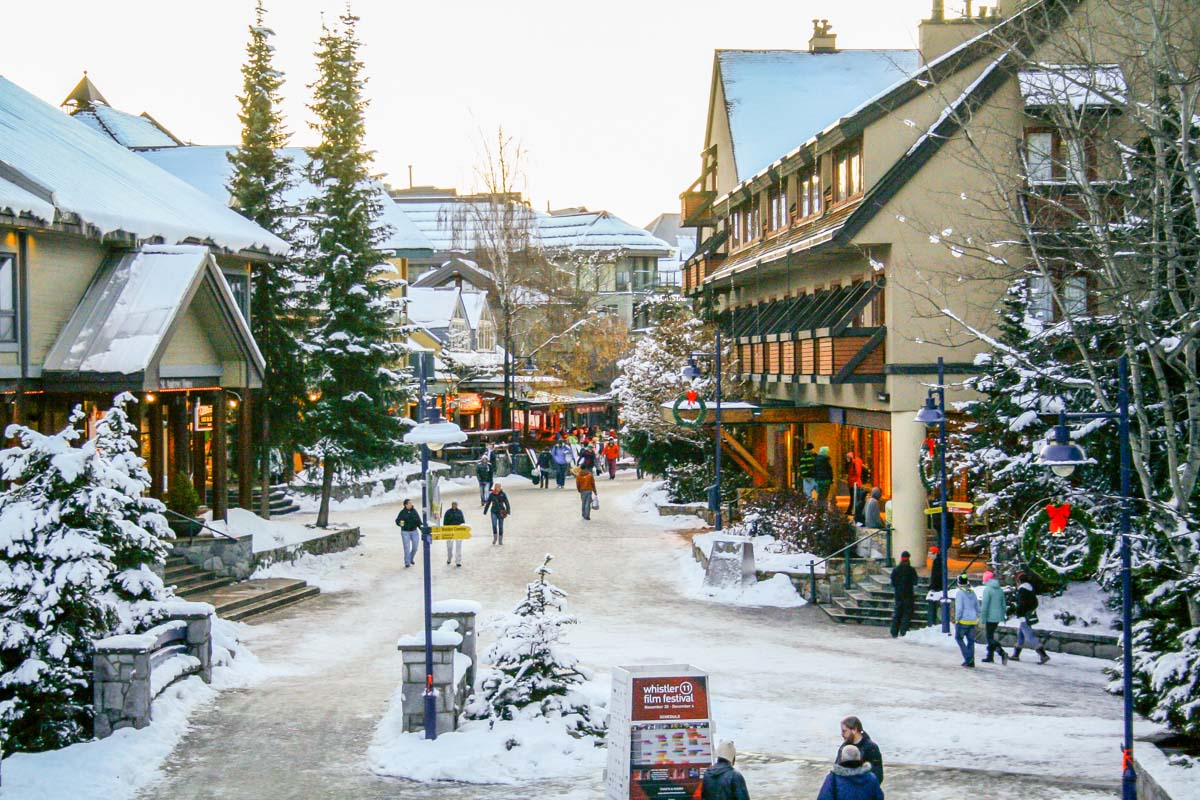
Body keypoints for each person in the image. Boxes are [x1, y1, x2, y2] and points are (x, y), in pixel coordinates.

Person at [817, 744, 883, 800]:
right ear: (860, 758)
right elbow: (879, 797)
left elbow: (824, 797)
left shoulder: (833, 778)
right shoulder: (871, 778)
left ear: (842, 759)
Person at [1011, 573, 1050, 664]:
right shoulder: (1030, 589)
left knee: (1029, 635)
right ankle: (1016, 655)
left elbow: (1021, 604)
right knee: (1020, 635)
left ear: (1019, 581)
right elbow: (1035, 603)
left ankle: (1043, 655)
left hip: (1023, 616)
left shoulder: (1022, 590)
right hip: (1027, 615)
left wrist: (1019, 613)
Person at [835, 716, 884, 787]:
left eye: (844, 731)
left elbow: (877, 776)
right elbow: (837, 769)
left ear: (854, 730)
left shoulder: (871, 748)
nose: (842, 734)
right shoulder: (843, 748)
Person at [979, 570, 1009, 665]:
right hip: (997, 617)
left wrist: (982, 618)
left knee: (989, 637)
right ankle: (990, 656)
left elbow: (985, 605)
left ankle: (1001, 652)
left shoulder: (987, 590)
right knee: (990, 635)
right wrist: (1003, 615)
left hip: (989, 617)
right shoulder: (999, 589)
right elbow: (1003, 604)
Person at [889, 551, 917, 638]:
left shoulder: (896, 569)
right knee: (907, 613)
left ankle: (894, 631)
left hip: (898, 594)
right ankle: (904, 630)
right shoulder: (911, 570)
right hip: (908, 594)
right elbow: (915, 581)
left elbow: (893, 582)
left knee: (897, 612)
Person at [954, 574, 980, 668]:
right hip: (972, 620)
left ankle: (968, 658)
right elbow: (977, 606)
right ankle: (971, 660)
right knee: (970, 641)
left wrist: (957, 619)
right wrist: (977, 615)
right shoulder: (972, 592)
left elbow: (959, 608)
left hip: (963, 620)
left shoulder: (960, 593)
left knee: (959, 638)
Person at [394, 499, 422, 568]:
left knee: (415, 547)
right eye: (409, 503)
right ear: (406, 505)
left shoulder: (414, 511)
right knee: (406, 547)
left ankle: (411, 558)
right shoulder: (402, 512)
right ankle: (407, 562)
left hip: (414, 531)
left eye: (411, 503)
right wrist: (400, 524)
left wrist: (422, 528)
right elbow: (397, 521)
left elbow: (418, 521)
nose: (411, 504)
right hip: (405, 532)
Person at [442, 501, 465, 567]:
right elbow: (445, 522)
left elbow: (463, 522)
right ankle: (449, 558)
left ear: (457, 505)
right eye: (453, 504)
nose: (454, 505)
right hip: (450, 531)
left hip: (458, 531)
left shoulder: (460, 512)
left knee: (458, 546)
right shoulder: (448, 512)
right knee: (449, 546)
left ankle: (458, 561)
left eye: (455, 504)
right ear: (451, 505)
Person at [926, 546, 945, 625]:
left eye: (930, 554)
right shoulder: (938, 561)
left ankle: (932, 622)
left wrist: (932, 586)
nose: (929, 556)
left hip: (937, 588)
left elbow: (936, 576)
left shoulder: (937, 562)